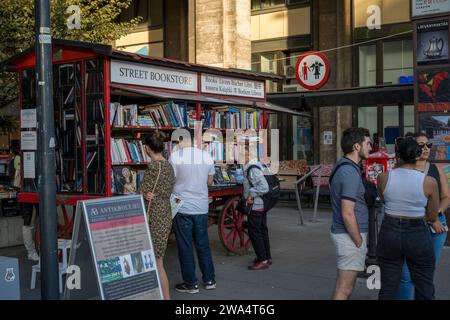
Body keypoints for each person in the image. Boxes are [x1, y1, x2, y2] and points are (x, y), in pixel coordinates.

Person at [377, 137, 440, 300]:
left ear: (397, 156)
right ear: (418, 155)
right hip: (417, 232)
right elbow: (433, 216)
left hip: (389, 230)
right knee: (424, 285)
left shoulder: (383, 178)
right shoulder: (429, 182)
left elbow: (384, 201)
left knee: (388, 286)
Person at [396, 132, 449, 300]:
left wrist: (436, 214)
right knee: (405, 275)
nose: (426, 148)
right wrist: (430, 219)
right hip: (412, 224)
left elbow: (446, 197)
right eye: (421, 145)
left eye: (429, 145)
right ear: (412, 147)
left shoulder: (436, 169)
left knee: (426, 274)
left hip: (436, 226)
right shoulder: (400, 170)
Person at [169, 128, 216, 294]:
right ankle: (209, 280)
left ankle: (191, 284)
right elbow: (210, 182)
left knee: (185, 246)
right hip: (202, 207)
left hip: (183, 207)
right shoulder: (206, 155)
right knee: (203, 244)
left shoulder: (175, 157)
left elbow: (171, 181)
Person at [330, 127, 372, 300]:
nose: (371, 148)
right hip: (350, 236)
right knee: (345, 289)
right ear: (357, 147)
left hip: (345, 234)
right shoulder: (349, 172)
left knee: (342, 285)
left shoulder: (344, 166)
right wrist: (358, 241)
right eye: (368, 143)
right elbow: (348, 212)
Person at [138, 131, 175, 300]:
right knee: (158, 260)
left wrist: (144, 192)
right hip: (165, 212)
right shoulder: (168, 165)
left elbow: (141, 190)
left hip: (153, 215)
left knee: (156, 262)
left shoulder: (153, 167)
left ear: (147, 148)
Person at [242, 144, 271, 270]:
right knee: (262, 230)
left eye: (242, 153)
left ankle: (262, 260)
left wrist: (251, 195)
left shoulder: (252, 168)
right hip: (262, 204)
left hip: (256, 205)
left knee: (254, 232)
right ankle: (266, 257)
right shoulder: (257, 165)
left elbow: (264, 187)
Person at [9, 144, 39, 261]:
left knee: (32, 222)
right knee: (28, 222)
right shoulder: (21, 158)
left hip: (33, 189)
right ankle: (31, 251)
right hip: (28, 189)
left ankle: (33, 249)